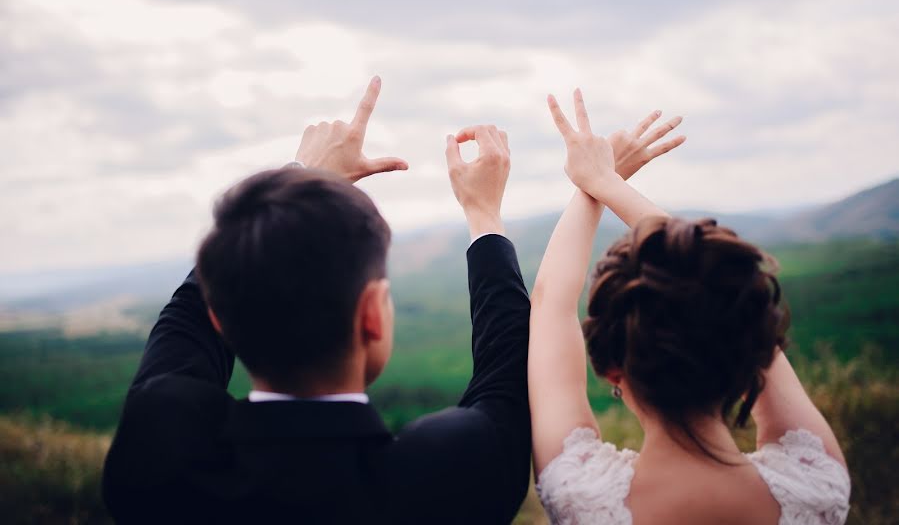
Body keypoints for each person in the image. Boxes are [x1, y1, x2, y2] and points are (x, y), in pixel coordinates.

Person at [102, 77, 532, 524]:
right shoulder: (448, 475)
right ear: (372, 315)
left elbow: (183, 326)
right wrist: (483, 213)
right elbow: (509, 369)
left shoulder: (158, 463)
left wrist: (301, 175)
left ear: (220, 320)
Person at [528, 89, 851, 524]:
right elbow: (730, 290)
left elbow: (550, 304)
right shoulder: (815, 488)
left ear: (611, 370)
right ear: (755, 356)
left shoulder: (580, 496)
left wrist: (596, 185)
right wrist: (606, 182)